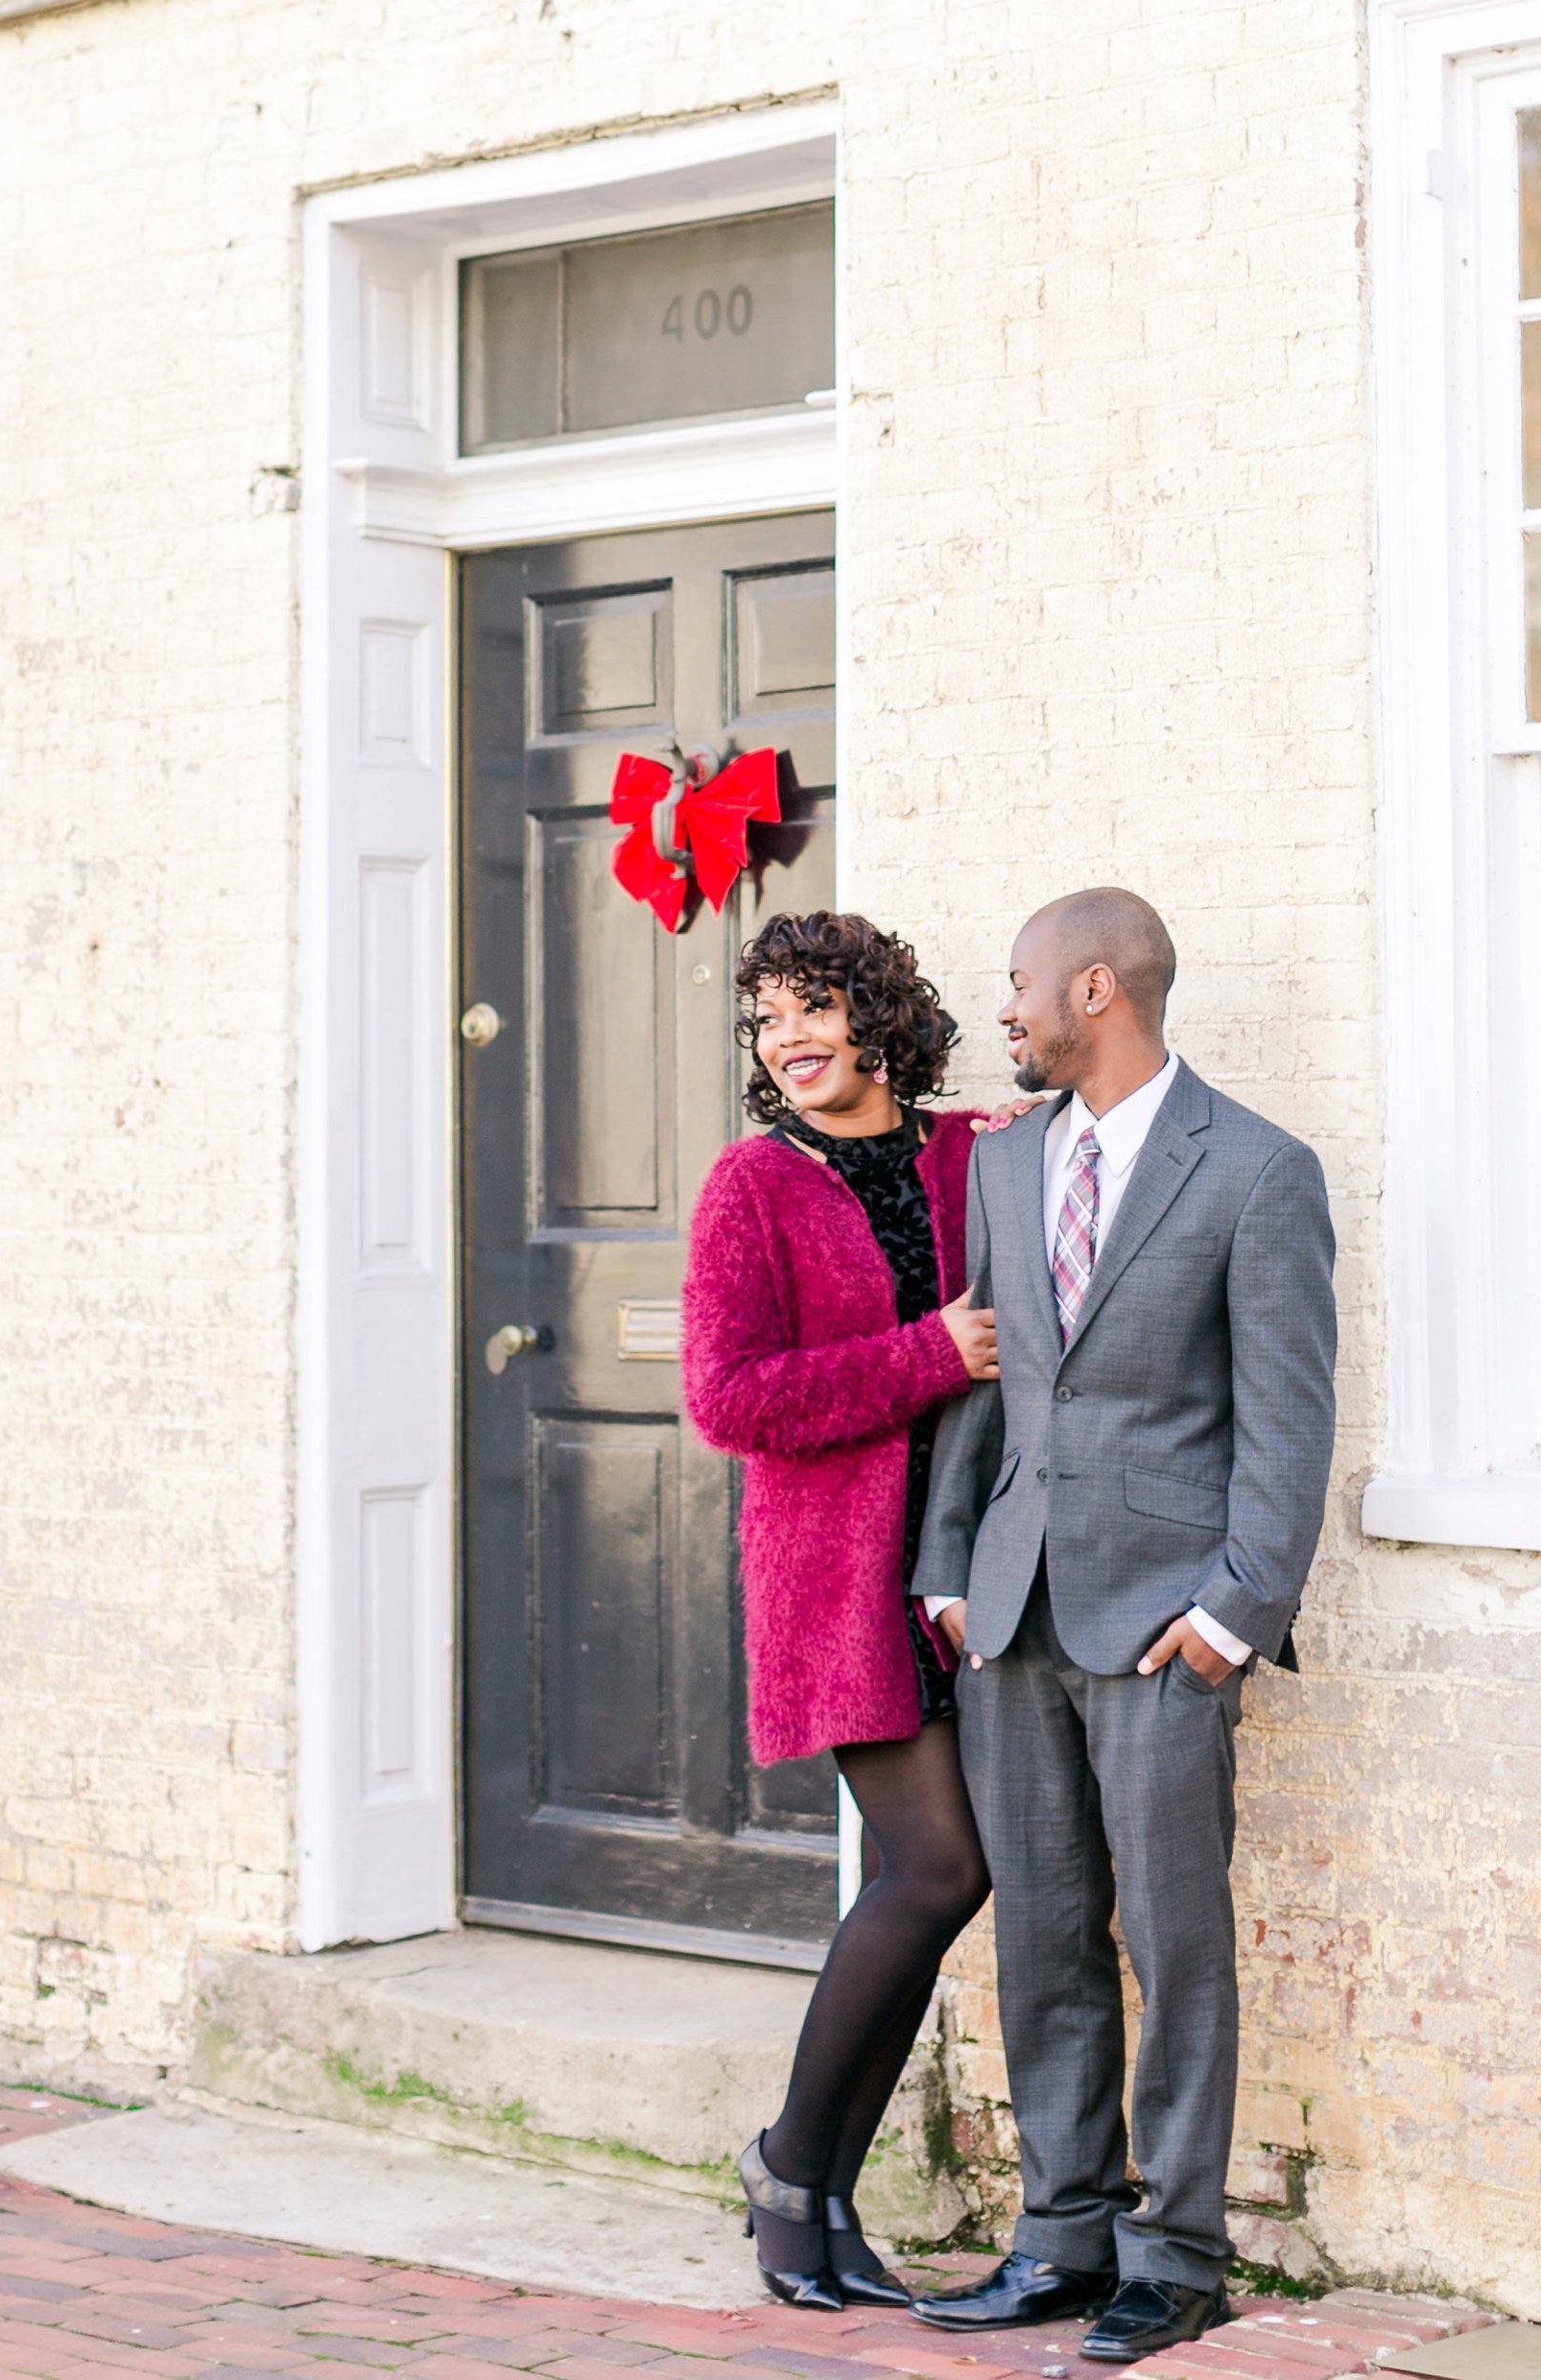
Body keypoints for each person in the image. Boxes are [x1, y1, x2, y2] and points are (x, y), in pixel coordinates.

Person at [914, 890, 1336, 2366]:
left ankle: (1177, 2255)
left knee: (1173, 1939)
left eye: (1022, 984)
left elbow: (1290, 1418)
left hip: (1167, 1623)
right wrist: (947, 1566)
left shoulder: (1260, 1171)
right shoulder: (1008, 1158)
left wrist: (1237, 1612)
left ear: (1098, 987)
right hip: (1013, 1613)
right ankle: (1064, 2234)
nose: (1008, 1009)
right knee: (1040, 1932)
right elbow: (990, 1376)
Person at [683, 909, 1004, 2312]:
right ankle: (785, 2159)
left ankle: (815, 2196)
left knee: (917, 1880)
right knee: (939, 1869)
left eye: (813, 1005)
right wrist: (927, 1353)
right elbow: (731, 1397)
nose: (790, 1039)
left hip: (974, 1565)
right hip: (838, 1580)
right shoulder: (750, 1188)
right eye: (766, 1020)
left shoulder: (964, 1155)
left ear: (876, 1010)